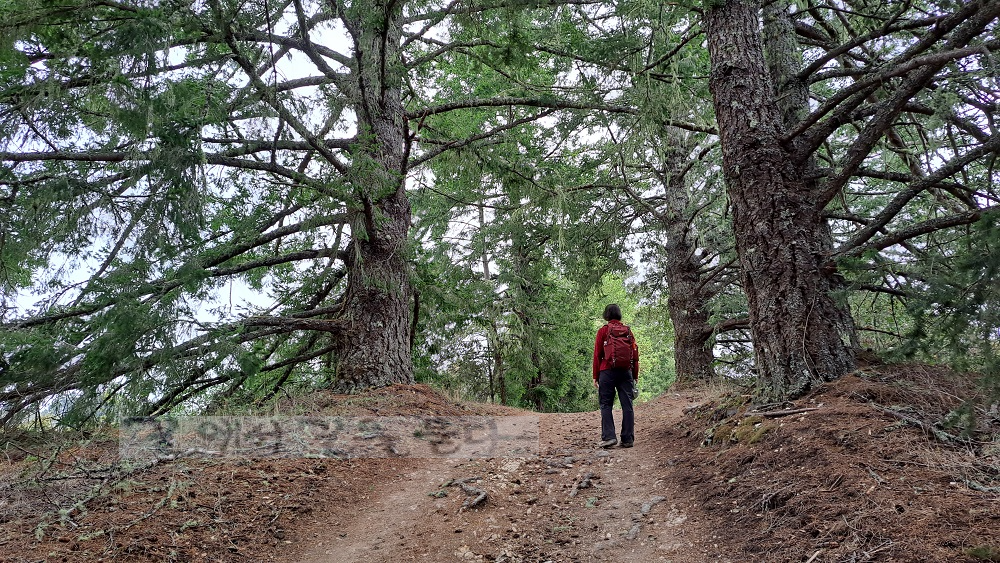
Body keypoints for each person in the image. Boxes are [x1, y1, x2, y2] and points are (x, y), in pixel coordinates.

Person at [592, 303, 639, 448]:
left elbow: (597, 355)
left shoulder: (603, 331)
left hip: (607, 371)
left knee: (606, 404)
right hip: (626, 372)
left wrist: (595, 375)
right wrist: (635, 375)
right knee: (628, 405)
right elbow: (635, 355)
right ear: (619, 314)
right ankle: (628, 439)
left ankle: (609, 437)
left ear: (606, 315)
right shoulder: (628, 331)